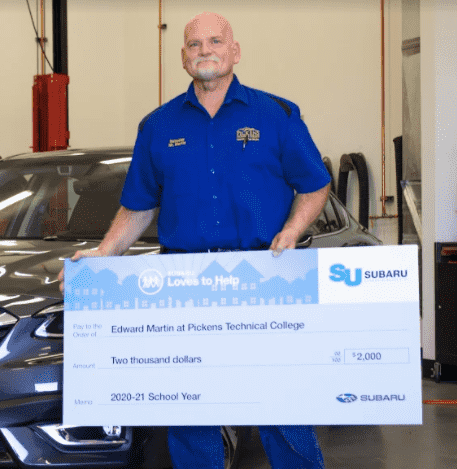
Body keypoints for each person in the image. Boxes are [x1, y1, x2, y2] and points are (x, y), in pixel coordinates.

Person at [58, 11, 330, 469]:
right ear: (183, 59)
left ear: (234, 51)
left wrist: (292, 229)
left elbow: (315, 183)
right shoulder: (158, 127)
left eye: (215, 41)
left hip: (263, 282)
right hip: (185, 288)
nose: (204, 50)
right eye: (194, 44)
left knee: (283, 408)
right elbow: (138, 205)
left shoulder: (277, 115)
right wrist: (105, 254)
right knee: (190, 411)